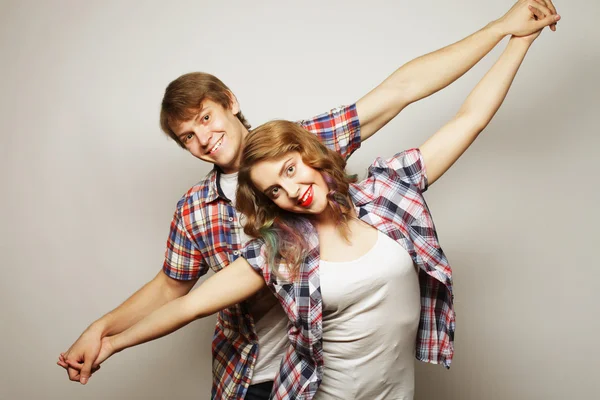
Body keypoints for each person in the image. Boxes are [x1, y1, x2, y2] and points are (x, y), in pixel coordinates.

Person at [58, 1, 560, 398]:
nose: (203, 138)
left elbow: (407, 90)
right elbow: (175, 294)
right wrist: (103, 333)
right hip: (255, 377)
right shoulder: (219, 220)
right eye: (187, 136)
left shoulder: (314, 152)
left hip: (353, 371)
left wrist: (506, 30)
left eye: (206, 118)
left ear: (230, 102)